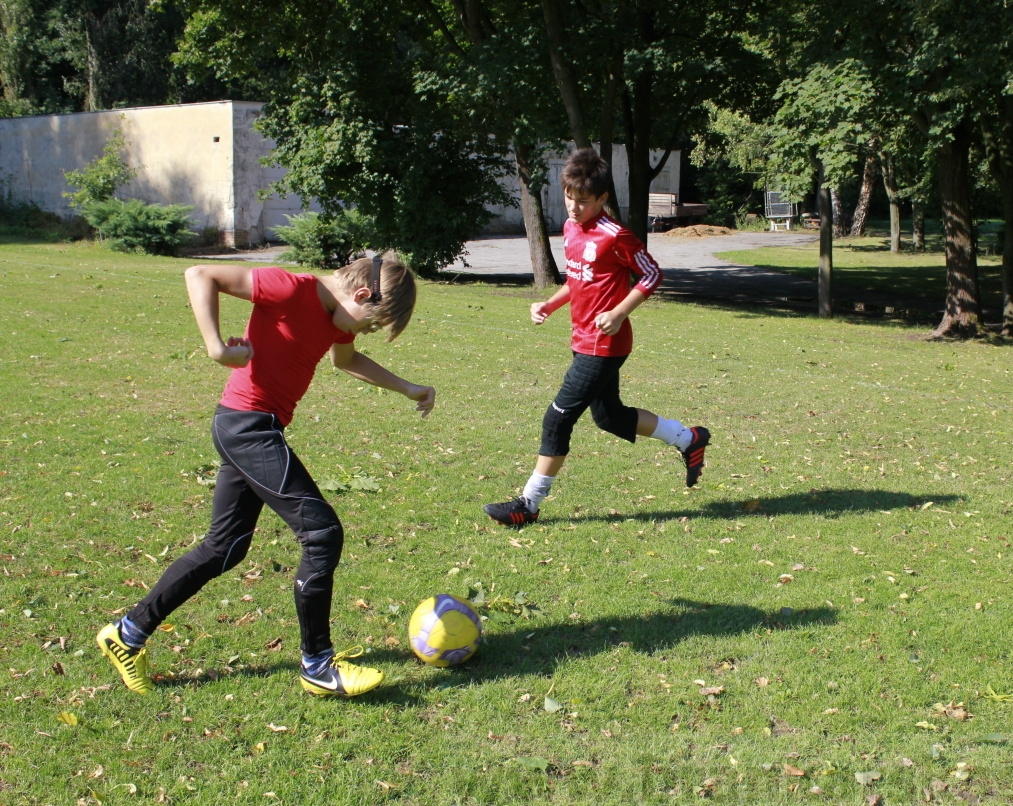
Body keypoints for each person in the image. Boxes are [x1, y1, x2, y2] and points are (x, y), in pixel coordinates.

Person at [96, 254, 435, 697]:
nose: (360, 332)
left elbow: (346, 360)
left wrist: (409, 387)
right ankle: (317, 663)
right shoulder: (289, 288)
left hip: (255, 428)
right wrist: (216, 347)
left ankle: (128, 633)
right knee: (322, 533)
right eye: (370, 323)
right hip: (247, 427)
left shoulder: (336, 319)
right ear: (361, 294)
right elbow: (201, 274)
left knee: (224, 547)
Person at [483, 148, 709, 526]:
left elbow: (652, 274)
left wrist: (620, 312)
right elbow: (578, 278)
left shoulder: (615, 235)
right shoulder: (572, 228)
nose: (573, 207)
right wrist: (550, 304)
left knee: (557, 419)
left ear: (603, 198)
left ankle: (529, 504)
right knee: (610, 417)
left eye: (583, 201)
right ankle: (688, 439)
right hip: (582, 339)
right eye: (569, 197)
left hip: (603, 345)